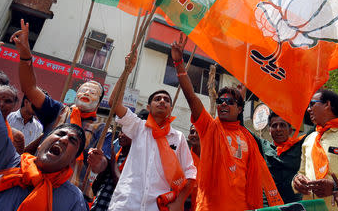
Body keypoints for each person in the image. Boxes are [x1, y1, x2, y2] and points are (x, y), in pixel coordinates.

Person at [0, 39, 87, 210]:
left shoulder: (73, 200)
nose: (65, 139)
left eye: (73, 141)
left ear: (73, 161)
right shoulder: (6, 161)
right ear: (41, 143)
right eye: (59, 134)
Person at [171, 33, 283, 211]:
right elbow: (191, 97)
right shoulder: (209, 127)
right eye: (220, 101)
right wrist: (178, 65)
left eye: (230, 102)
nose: (223, 103)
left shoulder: (248, 138)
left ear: (239, 109)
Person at [11, 19, 111, 200]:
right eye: (84, 89)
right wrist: (25, 55)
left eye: (93, 92)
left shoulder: (102, 129)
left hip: (71, 194)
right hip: (34, 182)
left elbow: (104, 163)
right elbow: (30, 89)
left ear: (99, 102)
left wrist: (100, 163)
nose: (87, 92)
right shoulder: (58, 110)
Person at [108, 49, 196, 211]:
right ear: (148, 107)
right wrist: (127, 71)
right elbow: (114, 102)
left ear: (170, 109)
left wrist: (179, 202)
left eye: (166, 100)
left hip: (156, 207)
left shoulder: (178, 137)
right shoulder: (138, 126)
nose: (162, 101)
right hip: (125, 205)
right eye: (157, 99)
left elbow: (191, 173)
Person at [253, 112, 308, 204]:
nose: (278, 129)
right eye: (274, 126)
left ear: (290, 130)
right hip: (270, 204)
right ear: (269, 130)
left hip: (295, 204)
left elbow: (318, 127)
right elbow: (242, 127)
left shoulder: (299, 145)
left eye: (282, 125)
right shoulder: (263, 146)